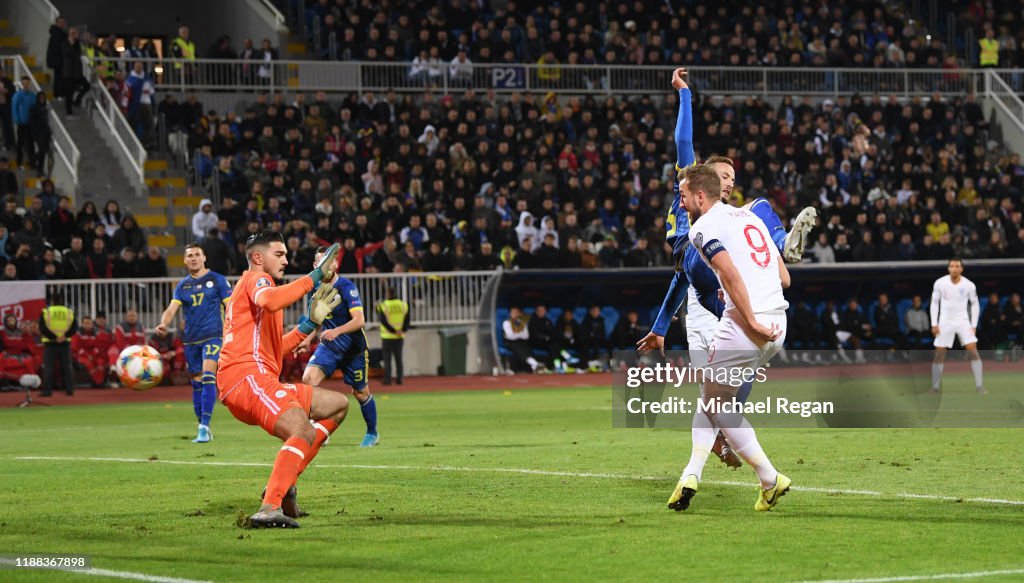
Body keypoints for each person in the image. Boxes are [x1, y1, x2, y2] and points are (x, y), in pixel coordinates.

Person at [644, 163, 791, 513]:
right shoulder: (750, 218)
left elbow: (727, 271)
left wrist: (751, 320)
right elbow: (784, 278)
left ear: (699, 195)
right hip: (779, 323)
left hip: (746, 327)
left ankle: (770, 479)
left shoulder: (703, 227)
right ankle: (698, 475)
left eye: (682, 197)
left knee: (713, 406)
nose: (680, 205)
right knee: (716, 402)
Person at [217, 234, 347, 528]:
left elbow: (275, 349)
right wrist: (314, 276)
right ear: (258, 258)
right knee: (301, 428)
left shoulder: (258, 295)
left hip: (257, 378)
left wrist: (310, 324)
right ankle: (269, 507)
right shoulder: (256, 281)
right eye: (279, 254)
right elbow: (271, 300)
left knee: (337, 405)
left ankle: (283, 485)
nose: (286, 260)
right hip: (246, 378)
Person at [298, 246, 378, 447]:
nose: (328, 264)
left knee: (360, 393)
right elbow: (316, 320)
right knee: (308, 380)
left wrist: (337, 331)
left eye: (331, 260)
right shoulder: (315, 288)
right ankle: (318, 429)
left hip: (353, 350)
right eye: (322, 262)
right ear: (316, 266)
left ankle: (372, 433)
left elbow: (359, 320)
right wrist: (306, 339)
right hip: (330, 347)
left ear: (336, 263)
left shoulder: (346, 286)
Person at [155, 244, 233, 443]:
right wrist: (164, 323)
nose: (193, 258)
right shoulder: (182, 286)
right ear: (184, 260)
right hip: (191, 340)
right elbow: (172, 309)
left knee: (208, 376)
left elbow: (231, 305)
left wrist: (234, 329)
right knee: (196, 383)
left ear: (204, 257)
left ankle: (204, 427)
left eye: (197, 255)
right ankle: (203, 425)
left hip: (214, 336)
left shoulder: (217, 280)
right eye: (189, 255)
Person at [930, 258, 984, 394]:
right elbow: (935, 303)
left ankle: (979, 385)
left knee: (973, 352)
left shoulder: (969, 285)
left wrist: (973, 325)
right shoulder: (940, 283)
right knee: (939, 354)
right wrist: (934, 323)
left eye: (957, 266)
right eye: (952, 266)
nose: (954, 268)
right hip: (945, 321)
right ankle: (935, 387)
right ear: (948, 268)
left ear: (961, 269)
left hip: (962, 320)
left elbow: (975, 305)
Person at [39, 291, 77, 396]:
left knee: (49, 368)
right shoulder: (69, 312)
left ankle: (47, 391)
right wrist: (65, 336)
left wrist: (55, 337)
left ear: (52, 301)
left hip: (50, 343)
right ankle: (69, 390)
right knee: (67, 367)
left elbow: (42, 328)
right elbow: (74, 328)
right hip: (65, 343)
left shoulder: (46, 311)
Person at [376, 286, 409, 385]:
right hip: (400, 336)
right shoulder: (403, 304)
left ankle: (388, 379)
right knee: (399, 358)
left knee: (387, 359)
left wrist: (393, 330)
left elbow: (383, 321)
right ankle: (400, 379)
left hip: (387, 336)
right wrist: (401, 330)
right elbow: (407, 320)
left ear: (388, 294)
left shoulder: (384, 305)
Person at [502, 306, 542, 373]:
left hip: (521, 343)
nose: (514, 314)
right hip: (509, 343)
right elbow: (510, 336)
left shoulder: (522, 322)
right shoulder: (506, 323)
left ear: (519, 313)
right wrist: (520, 334)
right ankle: (533, 363)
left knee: (524, 346)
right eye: (513, 312)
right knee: (516, 345)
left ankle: (532, 365)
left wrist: (517, 335)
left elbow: (526, 336)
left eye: (516, 312)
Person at [11, 76, 35, 170]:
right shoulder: (18, 95)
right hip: (21, 123)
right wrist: (17, 119)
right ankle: (19, 162)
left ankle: (32, 162)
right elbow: (14, 108)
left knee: (31, 143)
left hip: (30, 123)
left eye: (27, 83)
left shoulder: (32, 95)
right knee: (20, 143)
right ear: (22, 84)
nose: (25, 85)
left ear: (29, 84)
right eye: (24, 83)